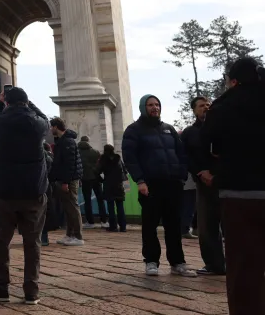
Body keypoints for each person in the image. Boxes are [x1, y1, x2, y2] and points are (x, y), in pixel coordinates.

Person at [201, 57, 265, 315]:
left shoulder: (224, 106)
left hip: (239, 194)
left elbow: (207, 144)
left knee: (242, 265)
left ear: (233, 80)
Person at [0, 87, 49, 305]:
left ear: (6, 103)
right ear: (26, 102)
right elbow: (45, 118)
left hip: (6, 192)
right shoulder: (37, 124)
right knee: (32, 242)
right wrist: (29, 103)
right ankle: (31, 291)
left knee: (2, 241)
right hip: (33, 191)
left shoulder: (0, 122)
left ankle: (1, 288)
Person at [122, 94, 197, 277]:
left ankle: (177, 262)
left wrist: (181, 175)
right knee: (150, 225)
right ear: (143, 107)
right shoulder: (134, 130)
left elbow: (181, 154)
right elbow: (130, 158)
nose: (155, 107)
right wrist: (140, 180)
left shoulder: (169, 129)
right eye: (150, 105)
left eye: (157, 104)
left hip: (172, 184)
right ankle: (151, 261)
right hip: (150, 185)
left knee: (174, 224)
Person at [181, 95, 225, 275]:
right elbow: (185, 157)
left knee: (232, 225)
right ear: (194, 110)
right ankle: (214, 264)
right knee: (207, 227)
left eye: (207, 104)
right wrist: (201, 172)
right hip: (204, 183)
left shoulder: (222, 128)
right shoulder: (189, 133)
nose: (205, 107)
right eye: (201, 105)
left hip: (225, 181)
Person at [49, 118, 84, 245]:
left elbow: (69, 164)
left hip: (69, 179)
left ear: (56, 127)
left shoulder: (67, 141)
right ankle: (69, 234)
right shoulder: (62, 141)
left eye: (51, 127)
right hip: (65, 178)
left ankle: (78, 236)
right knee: (68, 208)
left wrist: (65, 182)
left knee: (73, 207)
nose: (50, 129)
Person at [96, 144, 127, 232]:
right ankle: (123, 227)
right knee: (120, 206)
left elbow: (96, 171)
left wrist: (101, 180)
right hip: (119, 185)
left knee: (110, 207)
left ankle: (113, 226)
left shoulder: (103, 159)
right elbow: (124, 170)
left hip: (108, 184)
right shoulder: (118, 158)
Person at [78, 135, 107, 228]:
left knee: (87, 200)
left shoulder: (77, 153)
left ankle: (90, 222)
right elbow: (100, 164)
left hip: (85, 178)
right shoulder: (95, 152)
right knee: (100, 199)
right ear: (88, 141)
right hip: (96, 177)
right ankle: (104, 221)